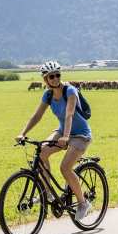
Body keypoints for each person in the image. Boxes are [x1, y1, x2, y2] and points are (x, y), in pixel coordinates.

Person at [15, 60, 93, 219]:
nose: (55, 78)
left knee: (65, 168)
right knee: (42, 152)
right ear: (46, 80)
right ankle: (49, 193)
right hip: (62, 131)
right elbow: (37, 116)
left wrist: (66, 136)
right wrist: (22, 133)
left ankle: (83, 203)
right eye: (51, 76)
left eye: (57, 75)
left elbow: (69, 114)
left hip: (80, 135)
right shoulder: (48, 95)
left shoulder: (70, 91)